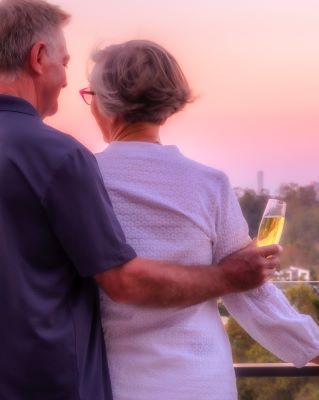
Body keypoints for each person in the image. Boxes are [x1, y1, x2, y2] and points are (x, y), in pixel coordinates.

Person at [0, 1, 283, 399]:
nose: (65, 80)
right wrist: (229, 276)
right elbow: (123, 280)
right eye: (64, 63)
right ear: (39, 57)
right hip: (49, 380)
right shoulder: (58, 157)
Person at [85, 39, 319, 400]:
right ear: (167, 105)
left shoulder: (82, 179)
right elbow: (251, 290)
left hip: (114, 383)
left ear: (103, 101)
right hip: (201, 383)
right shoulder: (206, 184)